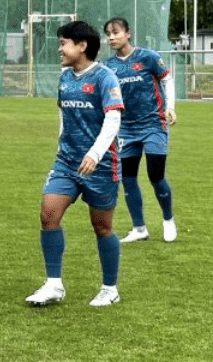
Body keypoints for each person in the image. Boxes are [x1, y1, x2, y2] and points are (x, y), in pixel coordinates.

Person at [26, 21, 125, 308]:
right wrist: (61, 143)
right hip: (67, 161)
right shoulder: (65, 78)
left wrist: (94, 154)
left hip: (102, 163)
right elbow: (62, 114)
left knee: (102, 226)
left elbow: (113, 118)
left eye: (64, 43)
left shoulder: (106, 78)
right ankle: (54, 284)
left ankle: (110, 288)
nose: (60, 48)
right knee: (48, 215)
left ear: (82, 46)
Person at [102, 17, 177, 243]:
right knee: (128, 178)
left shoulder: (149, 57)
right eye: (108, 34)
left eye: (116, 32)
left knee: (156, 175)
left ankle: (167, 219)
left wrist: (170, 106)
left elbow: (167, 80)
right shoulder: (108, 67)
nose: (112, 37)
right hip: (126, 130)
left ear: (128, 33)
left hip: (154, 124)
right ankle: (139, 228)